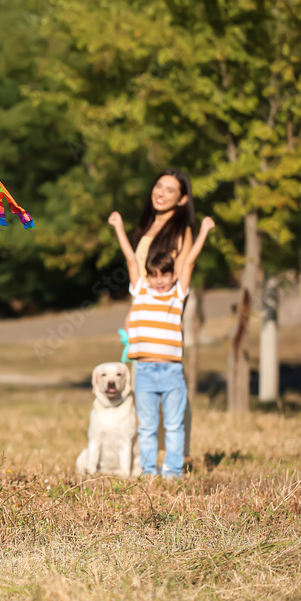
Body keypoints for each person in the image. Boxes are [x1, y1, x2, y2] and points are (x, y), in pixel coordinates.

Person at [108, 210, 214, 478]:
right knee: (147, 426)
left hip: (171, 372)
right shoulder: (141, 290)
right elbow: (131, 259)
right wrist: (119, 226)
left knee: (175, 424)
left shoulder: (178, 294)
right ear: (148, 276)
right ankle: (147, 470)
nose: (158, 281)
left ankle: (173, 470)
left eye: (164, 275)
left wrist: (203, 231)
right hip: (144, 371)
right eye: (153, 275)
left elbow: (188, 262)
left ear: (171, 275)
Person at [121, 169, 197, 461]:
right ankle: (149, 456)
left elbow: (180, 276)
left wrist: (169, 318)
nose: (161, 193)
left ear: (182, 199)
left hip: (164, 319)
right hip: (142, 316)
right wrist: (132, 313)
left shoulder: (182, 232)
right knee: (146, 391)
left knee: (171, 389)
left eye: (170, 190)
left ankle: (176, 457)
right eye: (158, 186)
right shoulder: (148, 226)